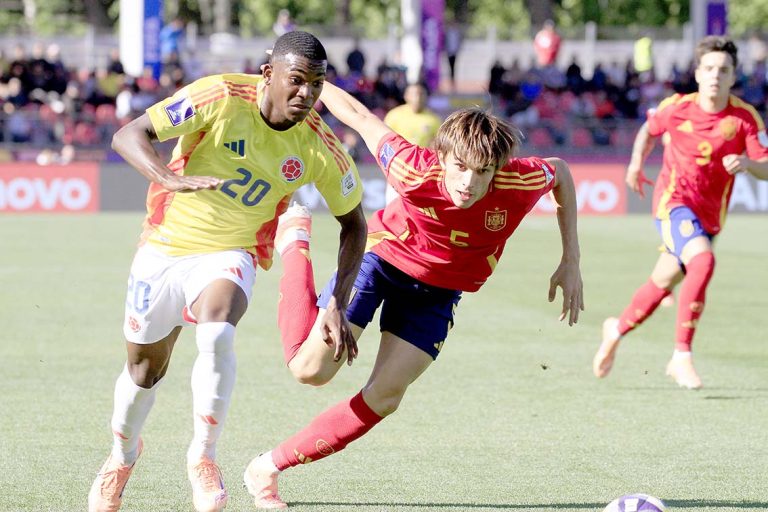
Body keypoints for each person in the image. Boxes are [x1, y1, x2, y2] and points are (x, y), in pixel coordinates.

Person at [240, 79, 584, 509]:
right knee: (310, 371)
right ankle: (295, 242)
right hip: (382, 260)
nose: (468, 183)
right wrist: (313, 82)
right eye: (459, 167)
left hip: (439, 293)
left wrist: (571, 259)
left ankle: (266, 468)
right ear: (442, 157)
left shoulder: (519, 180)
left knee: (384, 397)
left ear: (498, 168)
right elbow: (360, 117)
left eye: (482, 172)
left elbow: (562, 173)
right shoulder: (411, 166)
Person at [87, 31, 367, 512]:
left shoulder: (320, 146)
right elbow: (127, 134)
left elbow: (354, 226)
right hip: (164, 248)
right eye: (297, 81)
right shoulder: (218, 95)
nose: (306, 95)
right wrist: (168, 177)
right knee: (142, 372)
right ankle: (121, 457)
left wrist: (335, 301)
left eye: (316, 86)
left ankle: (204, 456)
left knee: (217, 331)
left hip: (232, 251)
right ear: (269, 74)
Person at [592, 36, 768, 390]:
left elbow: (766, 166)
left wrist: (749, 163)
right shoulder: (677, 108)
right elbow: (648, 130)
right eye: (709, 69)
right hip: (673, 203)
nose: (716, 76)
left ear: (734, 77)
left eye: (724, 70)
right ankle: (681, 356)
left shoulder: (745, 118)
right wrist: (634, 165)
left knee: (662, 284)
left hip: (709, 217)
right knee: (702, 263)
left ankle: (616, 328)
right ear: (698, 73)